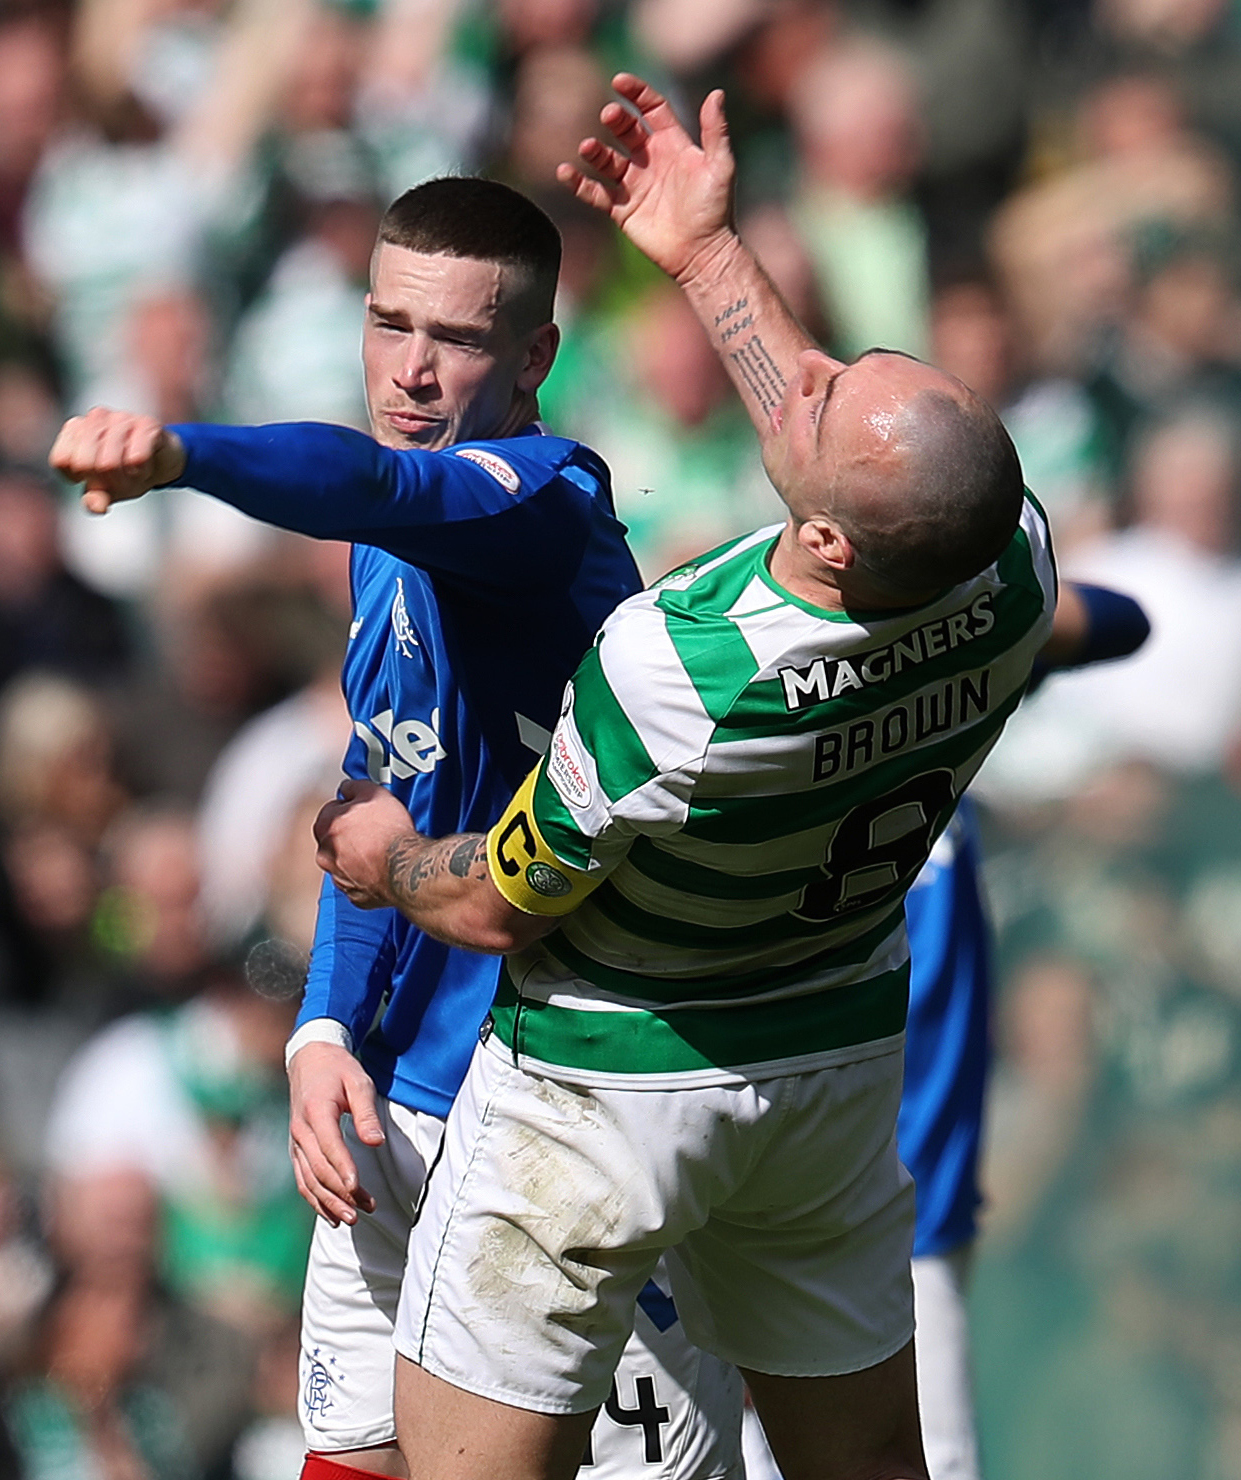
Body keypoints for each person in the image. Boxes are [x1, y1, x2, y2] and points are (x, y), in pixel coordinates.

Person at [301, 75, 1066, 1480]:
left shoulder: (682, 668)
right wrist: (709, 253)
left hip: (618, 1082)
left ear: (827, 538)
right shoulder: (1010, 568)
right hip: (828, 1061)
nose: (814, 367)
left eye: (829, 392)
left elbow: (498, 904)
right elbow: (873, 469)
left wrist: (383, 859)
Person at [50, 177, 745, 1480]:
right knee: (350, 1459)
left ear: (535, 356)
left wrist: (181, 453)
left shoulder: (537, 506)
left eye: (458, 339)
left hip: (570, 1104)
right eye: (388, 325)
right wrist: (323, 1024)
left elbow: (368, 480)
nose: (411, 370)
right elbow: (378, 801)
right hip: (401, 1095)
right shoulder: (386, 538)